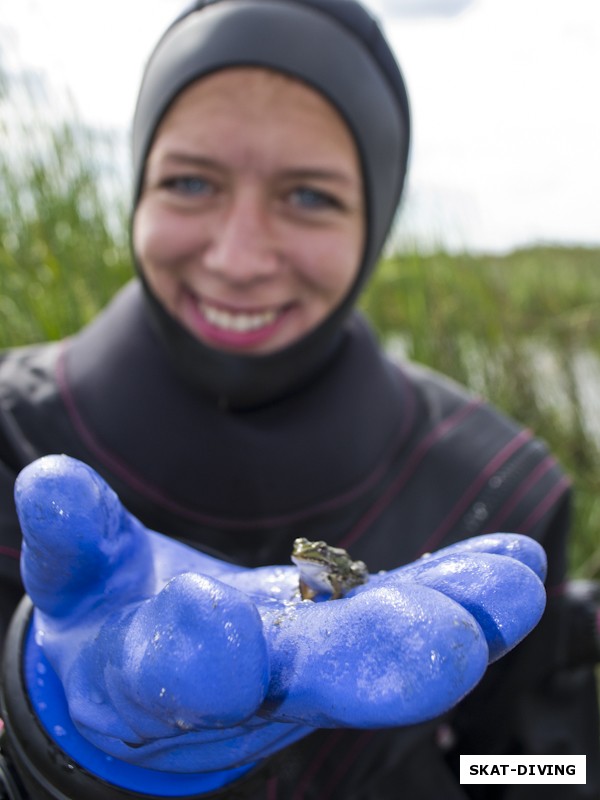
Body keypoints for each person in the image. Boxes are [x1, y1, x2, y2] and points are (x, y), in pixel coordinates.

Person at [0, 0, 597, 797]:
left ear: (375, 218)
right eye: (189, 181)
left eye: (309, 196)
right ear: (136, 189)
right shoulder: (11, 432)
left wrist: (451, 781)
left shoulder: (499, 487)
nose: (239, 256)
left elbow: (536, 769)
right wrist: (49, 744)